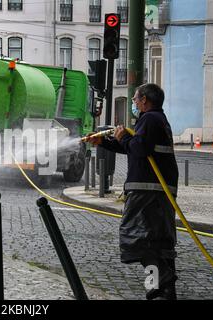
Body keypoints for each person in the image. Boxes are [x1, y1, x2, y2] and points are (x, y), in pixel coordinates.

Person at [87, 83, 179, 300]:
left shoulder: (149, 119)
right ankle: (163, 292)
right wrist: (105, 142)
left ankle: (160, 281)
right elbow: (137, 147)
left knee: (136, 238)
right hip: (158, 191)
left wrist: (122, 137)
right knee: (158, 241)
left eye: (136, 100)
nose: (135, 104)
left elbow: (138, 148)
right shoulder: (158, 120)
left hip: (147, 191)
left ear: (145, 99)